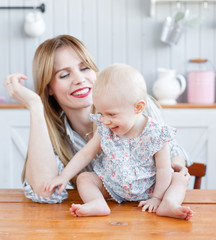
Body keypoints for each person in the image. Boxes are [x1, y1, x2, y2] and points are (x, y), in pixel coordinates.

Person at [2, 35, 192, 204]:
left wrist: (175, 165)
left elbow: (174, 152)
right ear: (49, 88)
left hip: (148, 207)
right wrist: (35, 106)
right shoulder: (53, 137)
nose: (79, 79)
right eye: (65, 75)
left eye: (85, 68)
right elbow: (45, 194)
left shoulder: (134, 104)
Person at [44, 63, 193, 220]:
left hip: (152, 187)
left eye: (111, 114)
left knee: (178, 178)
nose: (105, 121)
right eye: (101, 113)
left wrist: (157, 197)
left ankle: (168, 203)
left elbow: (163, 169)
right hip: (113, 186)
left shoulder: (156, 133)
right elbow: (86, 154)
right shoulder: (105, 128)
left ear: (138, 107)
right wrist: (64, 176)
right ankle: (97, 203)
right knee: (85, 178)